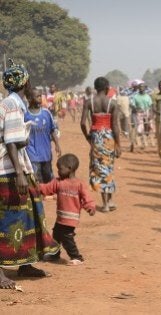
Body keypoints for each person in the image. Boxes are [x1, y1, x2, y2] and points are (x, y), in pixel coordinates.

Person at [0, 59, 59, 289]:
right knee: (9, 219)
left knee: (29, 214)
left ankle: (26, 263)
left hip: (18, 167)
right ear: (25, 82)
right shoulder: (13, 105)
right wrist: (20, 174)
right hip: (9, 171)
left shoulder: (12, 103)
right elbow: (12, 143)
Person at [39, 154, 96, 266]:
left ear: (69, 168)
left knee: (67, 238)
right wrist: (36, 186)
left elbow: (87, 198)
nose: (58, 171)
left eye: (60, 168)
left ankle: (76, 257)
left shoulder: (79, 184)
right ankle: (55, 254)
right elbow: (47, 189)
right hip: (60, 218)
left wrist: (90, 207)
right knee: (56, 236)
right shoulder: (58, 182)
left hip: (71, 218)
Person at [81, 77, 121, 213]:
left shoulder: (89, 102)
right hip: (108, 137)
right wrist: (118, 144)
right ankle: (107, 203)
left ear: (95, 87)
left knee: (99, 169)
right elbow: (115, 126)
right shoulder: (113, 103)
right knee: (108, 168)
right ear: (108, 88)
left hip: (96, 137)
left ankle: (108, 202)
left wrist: (87, 136)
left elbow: (82, 123)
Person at [25, 87, 61, 184]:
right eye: (37, 96)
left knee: (47, 178)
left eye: (40, 96)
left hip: (46, 153)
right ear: (29, 98)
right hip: (32, 153)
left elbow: (52, 130)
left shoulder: (46, 113)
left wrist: (57, 144)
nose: (40, 98)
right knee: (36, 179)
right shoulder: (25, 115)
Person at [131, 83, 153, 150]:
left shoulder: (148, 96)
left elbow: (151, 105)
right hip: (139, 113)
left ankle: (145, 139)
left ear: (145, 88)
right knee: (140, 128)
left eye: (143, 87)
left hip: (147, 112)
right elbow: (132, 104)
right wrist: (136, 109)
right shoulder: (135, 96)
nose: (141, 88)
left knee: (148, 127)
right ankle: (140, 142)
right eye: (140, 87)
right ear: (138, 88)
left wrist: (151, 113)